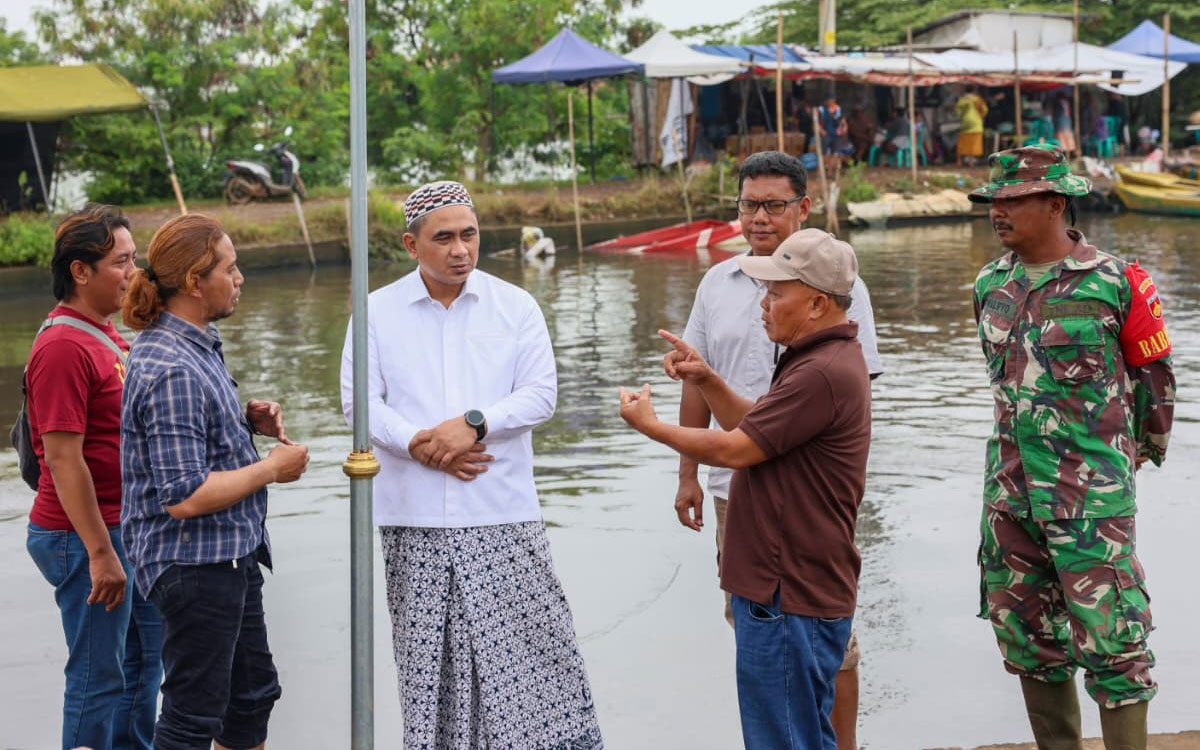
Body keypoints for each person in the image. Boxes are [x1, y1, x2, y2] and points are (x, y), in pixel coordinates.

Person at [339, 180, 602, 749]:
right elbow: (359, 402)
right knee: (431, 666)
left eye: (469, 235)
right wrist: (418, 443)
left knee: (536, 660)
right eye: (444, 238)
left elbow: (541, 395)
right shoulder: (376, 311)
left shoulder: (515, 305)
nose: (460, 250)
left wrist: (474, 425)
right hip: (414, 518)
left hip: (501, 510)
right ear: (412, 245)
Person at [620, 227, 871, 750]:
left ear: (818, 304)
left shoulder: (821, 372)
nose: (763, 303)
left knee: (783, 737)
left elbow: (737, 449)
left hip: (788, 586)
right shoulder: (816, 358)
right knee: (799, 730)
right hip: (792, 581)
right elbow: (758, 426)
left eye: (777, 293)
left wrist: (651, 426)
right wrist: (707, 379)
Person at [968, 145, 1174, 749]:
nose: (998, 212)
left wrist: (1130, 457)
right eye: (993, 201)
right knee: (1028, 641)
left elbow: (1155, 383)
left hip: (1090, 503)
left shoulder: (1117, 281)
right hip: (1010, 498)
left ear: (1056, 203)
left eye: (1013, 201)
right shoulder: (990, 284)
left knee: (1115, 645)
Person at [674, 150, 881, 750]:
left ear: (803, 208)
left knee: (828, 635)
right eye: (748, 204)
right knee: (757, 624)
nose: (759, 217)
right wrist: (687, 474)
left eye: (773, 204)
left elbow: (849, 397)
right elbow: (697, 378)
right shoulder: (718, 282)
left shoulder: (838, 285)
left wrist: (649, 426)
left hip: (809, 491)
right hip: (732, 486)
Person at [119, 214, 310, 749]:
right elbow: (183, 496)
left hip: (228, 552)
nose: (240, 278)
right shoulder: (172, 366)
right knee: (193, 717)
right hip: (194, 562)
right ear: (195, 283)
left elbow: (187, 438)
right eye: (230, 268)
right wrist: (271, 468)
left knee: (250, 699)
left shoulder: (196, 341)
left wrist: (241, 420)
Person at [23, 204, 162, 750]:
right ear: (80, 271)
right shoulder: (62, 346)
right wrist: (101, 553)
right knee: (99, 675)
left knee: (143, 667)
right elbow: (63, 459)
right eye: (121, 261)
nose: (134, 272)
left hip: (126, 527)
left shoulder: (104, 334)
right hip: (84, 536)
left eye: (134, 258)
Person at [955, 85, 988, 166]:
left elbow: (957, 113)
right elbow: (985, 110)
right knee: (974, 143)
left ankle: (959, 161)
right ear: (974, 91)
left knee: (962, 143)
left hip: (965, 123)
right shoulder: (978, 99)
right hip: (976, 124)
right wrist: (980, 116)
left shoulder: (962, 100)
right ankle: (971, 161)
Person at [818, 97, 851, 172]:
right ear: (826, 101)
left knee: (834, 154)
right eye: (829, 100)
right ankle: (820, 172)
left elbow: (842, 120)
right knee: (823, 154)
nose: (831, 102)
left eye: (832, 100)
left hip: (835, 135)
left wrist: (845, 126)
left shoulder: (837, 109)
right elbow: (817, 122)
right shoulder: (822, 109)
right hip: (826, 134)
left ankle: (829, 172)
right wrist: (821, 131)